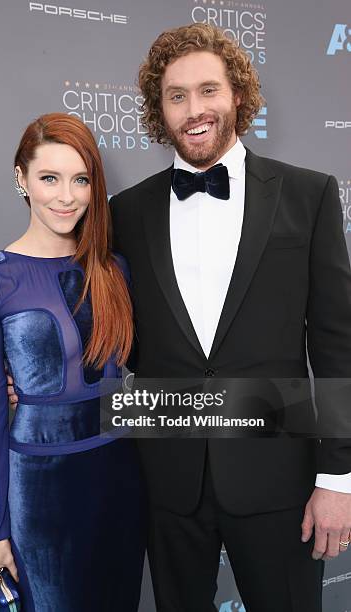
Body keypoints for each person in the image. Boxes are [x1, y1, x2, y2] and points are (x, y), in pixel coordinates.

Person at [107, 24, 351, 612]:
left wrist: (338, 480)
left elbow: (339, 344)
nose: (195, 110)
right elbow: (116, 340)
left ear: (237, 94)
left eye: (208, 90)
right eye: (176, 96)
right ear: (158, 110)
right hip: (168, 476)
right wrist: (32, 387)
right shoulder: (126, 211)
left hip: (279, 480)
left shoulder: (309, 194)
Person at [0, 113, 146, 612]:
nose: (66, 196)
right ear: (21, 179)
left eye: (80, 179)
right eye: (49, 178)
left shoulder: (113, 268)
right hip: (43, 489)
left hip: (121, 476)